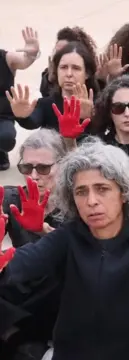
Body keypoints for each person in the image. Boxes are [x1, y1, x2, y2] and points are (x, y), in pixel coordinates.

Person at [0, 138, 129, 360]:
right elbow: (25, 262)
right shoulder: (69, 235)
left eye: (102, 189)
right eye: (81, 192)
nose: (91, 201)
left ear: (123, 193)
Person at [0, 129, 66, 359]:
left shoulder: (75, 205)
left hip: (55, 291)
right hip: (19, 287)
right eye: (27, 168)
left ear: (62, 166)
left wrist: (44, 231)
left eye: (44, 168)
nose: (34, 176)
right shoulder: (13, 198)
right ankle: (14, 335)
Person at [0, 27, 40, 170]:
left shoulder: (6, 58)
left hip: (2, 117)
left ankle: (1, 152)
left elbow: (24, 61)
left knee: (5, 137)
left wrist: (31, 55)